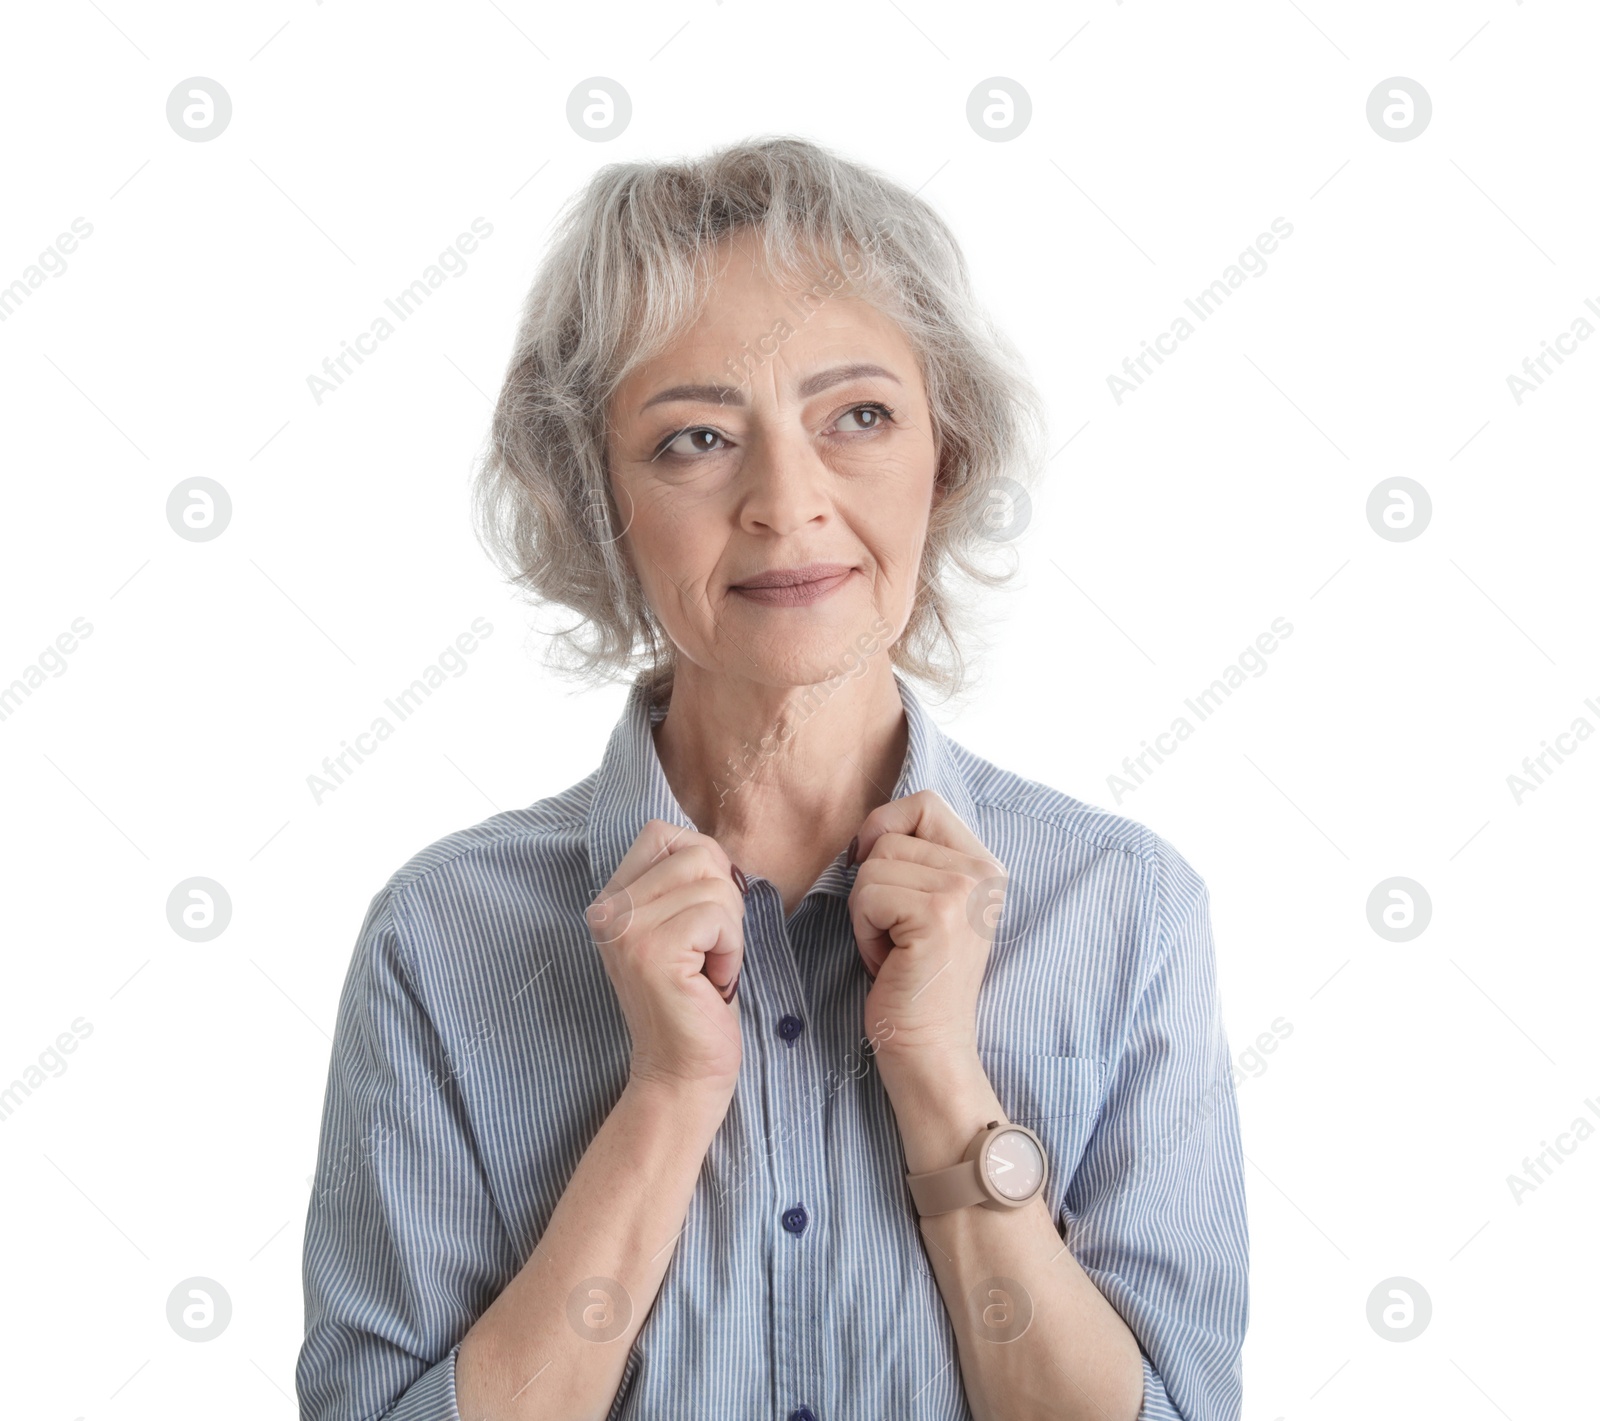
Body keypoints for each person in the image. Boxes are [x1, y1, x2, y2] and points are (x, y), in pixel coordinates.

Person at [296, 135, 1247, 1421]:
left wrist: (935, 1068)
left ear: (944, 457)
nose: (786, 502)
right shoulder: (444, 933)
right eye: (695, 437)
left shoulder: (1124, 908)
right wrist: (666, 1096)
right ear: (597, 503)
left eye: (857, 416)